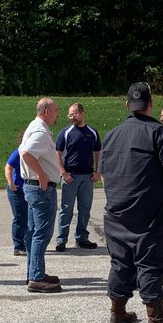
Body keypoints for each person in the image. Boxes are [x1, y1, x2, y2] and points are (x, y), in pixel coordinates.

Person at [101, 82, 163, 323]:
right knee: (150, 261)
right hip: (150, 212)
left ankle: (117, 311)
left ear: (127, 105)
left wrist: (115, 199)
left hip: (117, 210)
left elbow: (104, 174)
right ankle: (156, 317)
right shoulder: (160, 133)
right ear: (150, 103)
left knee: (120, 261)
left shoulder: (112, 134)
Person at [19, 98, 63, 292]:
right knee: (41, 233)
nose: (57, 114)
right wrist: (42, 174)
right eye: (55, 110)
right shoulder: (41, 131)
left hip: (34, 188)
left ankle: (34, 271)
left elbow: (24, 151)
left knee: (33, 233)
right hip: (41, 189)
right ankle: (36, 277)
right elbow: (26, 153)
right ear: (46, 111)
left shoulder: (35, 127)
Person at [54, 102, 101, 252]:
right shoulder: (65, 132)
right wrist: (63, 172)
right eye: (69, 115)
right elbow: (57, 153)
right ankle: (61, 239)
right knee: (66, 209)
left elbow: (98, 152)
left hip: (87, 177)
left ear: (81, 113)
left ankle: (81, 238)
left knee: (85, 209)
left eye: (73, 114)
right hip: (70, 177)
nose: (71, 117)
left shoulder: (92, 132)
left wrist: (97, 171)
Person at [5, 130, 27, 256]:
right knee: (19, 217)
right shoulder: (18, 152)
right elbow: (8, 167)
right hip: (16, 190)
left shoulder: (32, 152)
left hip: (27, 189)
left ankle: (27, 243)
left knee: (28, 218)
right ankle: (18, 246)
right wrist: (11, 183)